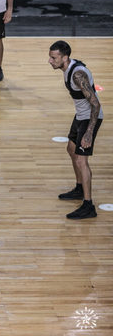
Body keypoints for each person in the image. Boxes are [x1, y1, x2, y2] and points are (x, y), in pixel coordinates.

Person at [48, 41, 104, 220]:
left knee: (81, 160)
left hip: (90, 118)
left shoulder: (77, 75)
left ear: (65, 58)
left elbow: (95, 103)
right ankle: (80, 189)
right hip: (81, 115)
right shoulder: (68, 68)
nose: (50, 61)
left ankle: (88, 206)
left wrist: (89, 132)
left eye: (53, 57)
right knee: (71, 149)